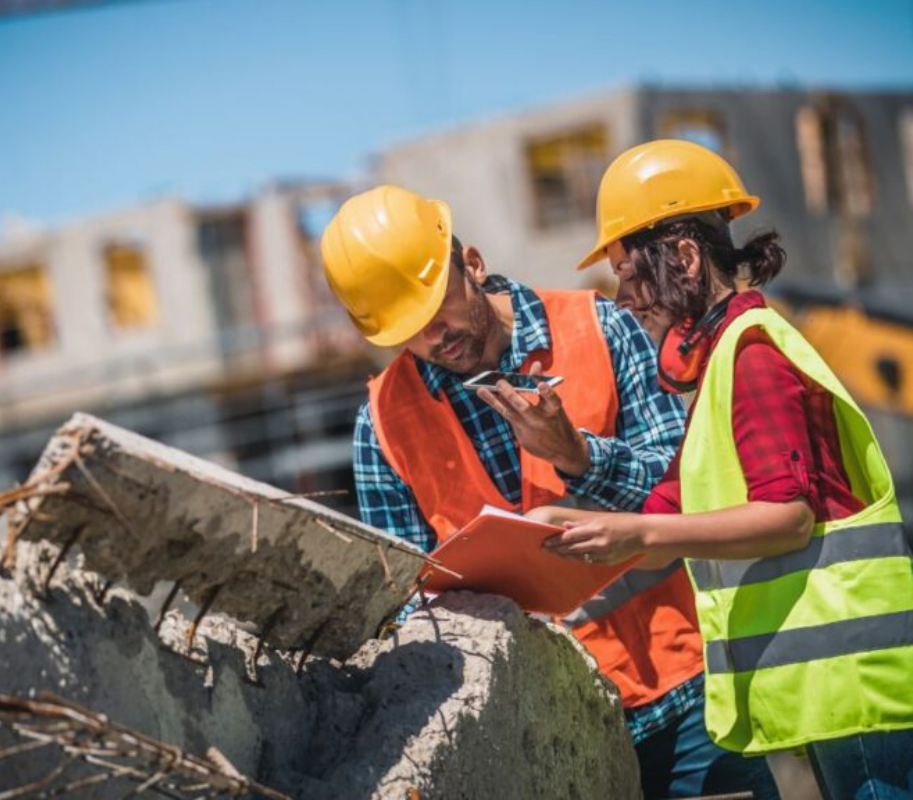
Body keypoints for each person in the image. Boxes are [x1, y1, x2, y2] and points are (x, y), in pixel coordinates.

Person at [320, 184, 778, 799]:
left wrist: (578, 456)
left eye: (439, 306)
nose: (435, 335)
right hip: (541, 741)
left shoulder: (598, 326)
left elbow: (691, 491)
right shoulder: (381, 426)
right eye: (410, 328)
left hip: (684, 700)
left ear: (472, 264)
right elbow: (401, 609)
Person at [540, 138, 913, 799]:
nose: (623, 297)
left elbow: (788, 518)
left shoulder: (753, 354)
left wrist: (643, 537)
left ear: (683, 254)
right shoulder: (720, 363)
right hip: (834, 688)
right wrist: (549, 556)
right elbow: (662, 518)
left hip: (862, 682)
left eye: (630, 273)